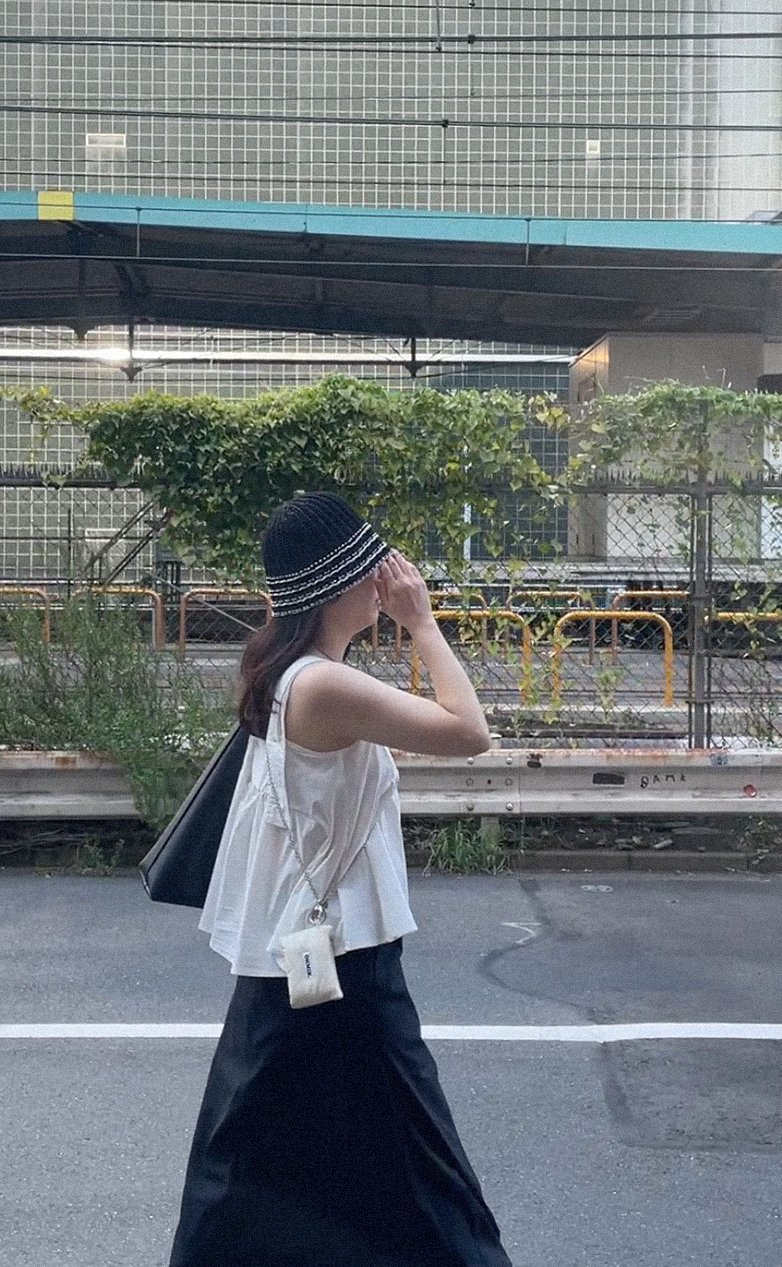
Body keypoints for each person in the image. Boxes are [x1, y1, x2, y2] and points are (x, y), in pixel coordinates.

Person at [169, 491, 512, 1267]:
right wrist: (423, 624)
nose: (388, 580)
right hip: (345, 965)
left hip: (304, 959)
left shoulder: (298, 676)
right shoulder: (323, 686)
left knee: (256, 1153)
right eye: (373, 567)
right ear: (337, 584)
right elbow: (470, 731)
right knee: (419, 1166)